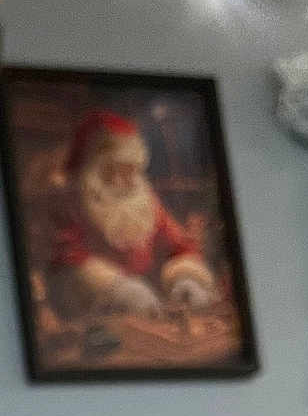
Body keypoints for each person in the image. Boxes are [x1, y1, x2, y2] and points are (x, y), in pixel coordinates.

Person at [49, 110, 216, 315]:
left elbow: (179, 246)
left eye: (134, 168)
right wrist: (118, 288)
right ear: (96, 168)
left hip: (151, 311)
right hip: (94, 316)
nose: (131, 179)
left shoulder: (145, 201)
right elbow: (67, 262)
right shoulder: (70, 202)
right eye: (121, 168)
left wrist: (186, 278)